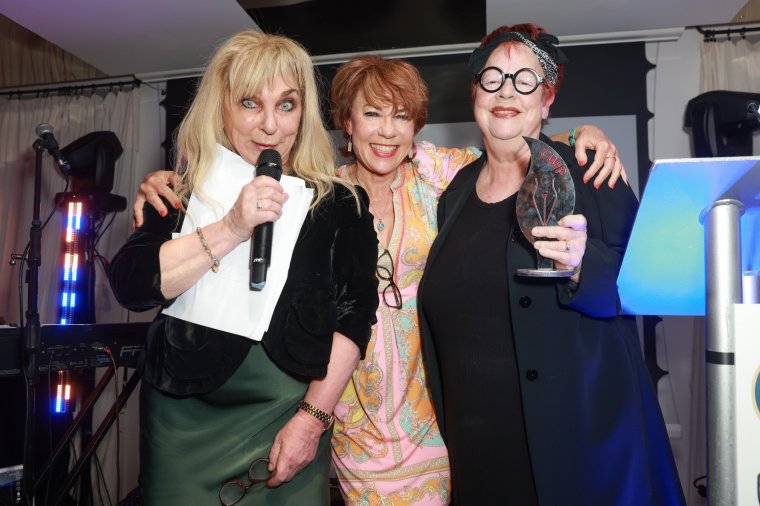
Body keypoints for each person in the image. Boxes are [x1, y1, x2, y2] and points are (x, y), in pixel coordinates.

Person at [132, 54, 626, 504]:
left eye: (402, 116)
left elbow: (512, 148)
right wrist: (168, 181)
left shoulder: (440, 174)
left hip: (429, 407)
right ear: (346, 122)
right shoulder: (321, 193)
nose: (387, 132)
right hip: (347, 409)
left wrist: (583, 134)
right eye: (372, 114)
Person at [417, 24, 686, 505]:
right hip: (482, 454)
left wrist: (587, 265)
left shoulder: (589, 172)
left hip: (582, 450)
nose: (506, 91)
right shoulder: (453, 195)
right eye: (493, 77)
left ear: (546, 101)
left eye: (526, 80)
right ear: (475, 92)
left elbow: (647, 285)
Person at [107, 30, 379, 505]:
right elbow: (131, 287)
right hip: (183, 419)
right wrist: (233, 226)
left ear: (304, 112)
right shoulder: (178, 191)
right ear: (223, 108)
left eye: (287, 105)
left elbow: (353, 320)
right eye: (250, 103)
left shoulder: (341, 205)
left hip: (288, 416)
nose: (270, 125)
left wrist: (311, 420)